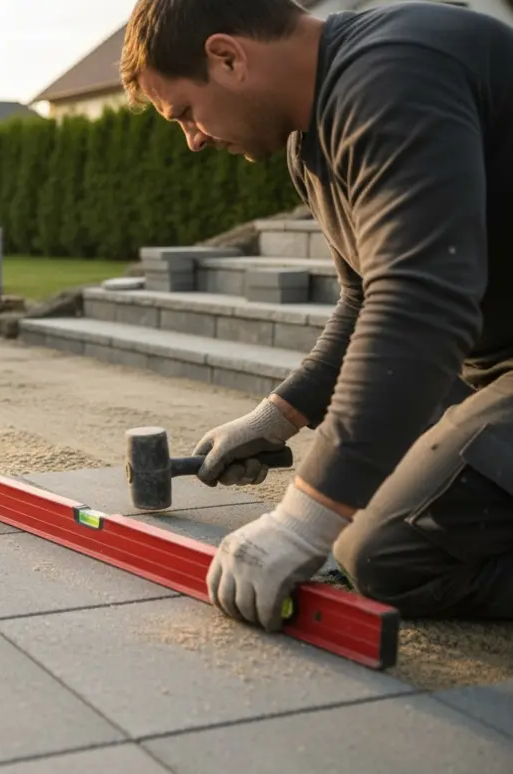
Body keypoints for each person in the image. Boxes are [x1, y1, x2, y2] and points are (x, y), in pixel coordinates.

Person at [118, 0, 513, 631]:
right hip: (487, 359)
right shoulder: (310, 143)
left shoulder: (397, 72)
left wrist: (305, 519)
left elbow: (419, 303)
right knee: (366, 483)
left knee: (383, 553)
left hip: (487, 357)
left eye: (186, 113)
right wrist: (280, 415)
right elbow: (364, 297)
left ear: (227, 57)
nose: (191, 140)